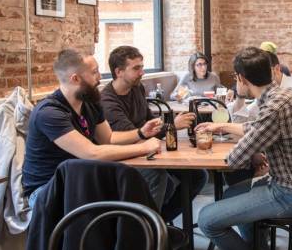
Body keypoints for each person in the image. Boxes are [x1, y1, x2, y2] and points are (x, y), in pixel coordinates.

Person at [196, 47, 292, 250]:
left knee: (206, 219)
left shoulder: (274, 108)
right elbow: (257, 128)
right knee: (234, 192)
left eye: (236, 78)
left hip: (290, 194)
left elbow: (235, 160)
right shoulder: (285, 94)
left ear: (242, 79)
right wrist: (221, 128)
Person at [22, 49, 160, 207]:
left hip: (82, 179)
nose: (100, 77)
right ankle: (137, 227)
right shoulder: (49, 113)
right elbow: (91, 153)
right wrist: (143, 148)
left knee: (153, 177)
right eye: (94, 72)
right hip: (46, 190)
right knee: (127, 192)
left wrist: (140, 133)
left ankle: (146, 228)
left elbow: (108, 139)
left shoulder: (90, 102)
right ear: (75, 79)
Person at [100, 46, 207, 222]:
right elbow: (135, 136)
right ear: (118, 72)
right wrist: (172, 125)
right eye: (136, 68)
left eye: (142, 67)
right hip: (123, 157)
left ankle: (160, 221)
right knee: (159, 176)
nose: (142, 72)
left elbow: (150, 123)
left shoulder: (137, 88)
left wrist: (165, 126)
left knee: (198, 175)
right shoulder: (108, 101)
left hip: (145, 151)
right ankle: (147, 230)